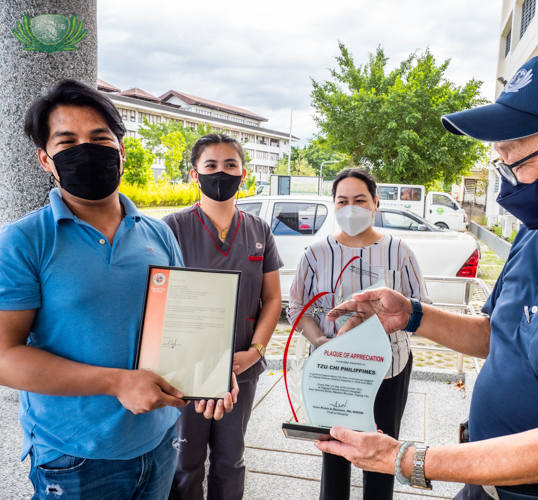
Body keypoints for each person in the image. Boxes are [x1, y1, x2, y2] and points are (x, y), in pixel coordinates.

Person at [317, 53, 538, 498]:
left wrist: (402, 458)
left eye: (517, 163)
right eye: (501, 165)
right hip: (485, 487)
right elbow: (496, 334)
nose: (508, 190)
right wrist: (410, 315)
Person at [0, 80, 236, 500]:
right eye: (67, 142)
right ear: (44, 159)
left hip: (159, 442)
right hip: (74, 457)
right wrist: (116, 383)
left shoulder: (158, 234)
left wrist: (213, 371)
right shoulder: (23, 241)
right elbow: (4, 356)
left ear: (121, 151)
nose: (86, 150)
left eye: (99, 138)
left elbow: (181, 325)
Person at [288, 168, 431, 500]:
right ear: (334, 206)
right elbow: (297, 308)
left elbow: (422, 307)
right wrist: (321, 343)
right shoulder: (316, 253)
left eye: (360, 200)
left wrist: (389, 317)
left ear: (376, 203)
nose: (350, 207)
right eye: (343, 201)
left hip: (387, 368)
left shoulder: (399, 251)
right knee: (335, 450)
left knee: (382, 452)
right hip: (332, 369)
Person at [165, 133, 283, 500]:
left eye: (230, 165)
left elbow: (273, 298)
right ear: (194, 174)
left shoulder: (259, 230)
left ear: (243, 173)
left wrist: (256, 352)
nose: (221, 173)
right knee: (185, 460)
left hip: (241, 366)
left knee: (231, 459)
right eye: (211, 166)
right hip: (186, 371)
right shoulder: (171, 228)